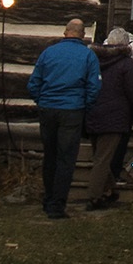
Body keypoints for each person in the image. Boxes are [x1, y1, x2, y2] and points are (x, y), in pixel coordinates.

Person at [25, 13, 102, 220]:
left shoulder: (48, 53)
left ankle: (48, 198)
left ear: (65, 32)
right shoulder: (88, 56)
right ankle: (57, 205)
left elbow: (34, 82)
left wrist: (40, 100)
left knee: (50, 156)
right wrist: (85, 105)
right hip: (72, 109)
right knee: (66, 159)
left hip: (48, 108)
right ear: (83, 35)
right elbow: (94, 86)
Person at [79, 27, 133, 210]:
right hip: (115, 117)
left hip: (93, 114)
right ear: (125, 44)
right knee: (102, 160)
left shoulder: (93, 61)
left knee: (100, 156)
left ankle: (111, 191)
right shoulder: (126, 64)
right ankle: (94, 197)